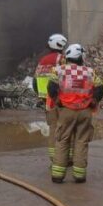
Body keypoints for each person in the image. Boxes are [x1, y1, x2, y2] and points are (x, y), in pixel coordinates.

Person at [48, 43, 103, 184]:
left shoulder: (58, 70)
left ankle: (58, 175)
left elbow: (51, 87)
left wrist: (57, 101)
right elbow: (101, 88)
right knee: (81, 141)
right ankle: (79, 176)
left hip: (66, 111)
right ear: (81, 57)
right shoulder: (90, 72)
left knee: (62, 140)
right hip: (85, 111)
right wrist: (94, 100)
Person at [35, 33, 67, 169]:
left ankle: (54, 159)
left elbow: (34, 81)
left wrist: (41, 96)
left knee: (52, 129)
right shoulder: (62, 59)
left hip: (47, 101)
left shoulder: (42, 60)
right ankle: (64, 158)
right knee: (65, 128)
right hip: (60, 100)